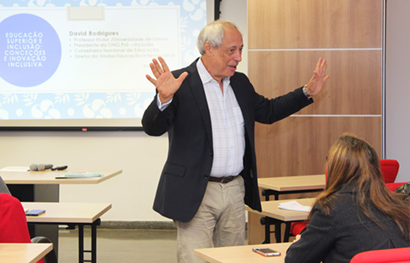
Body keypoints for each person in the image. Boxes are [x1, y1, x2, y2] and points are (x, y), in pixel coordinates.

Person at [142, 20, 329, 263]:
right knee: (194, 259)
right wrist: (164, 98)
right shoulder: (179, 82)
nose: (238, 57)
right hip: (195, 191)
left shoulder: (239, 82)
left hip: (234, 190)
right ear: (209, 48)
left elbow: (269, 111)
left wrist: (307, 91)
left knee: (232, 259)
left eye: (240, 49)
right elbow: (152, 127)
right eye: (232, 50)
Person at [285, 134, 410, 263]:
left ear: (336, 167)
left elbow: (295, 260)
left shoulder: (331, 208)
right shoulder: (397, 204)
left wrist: (302, 242)